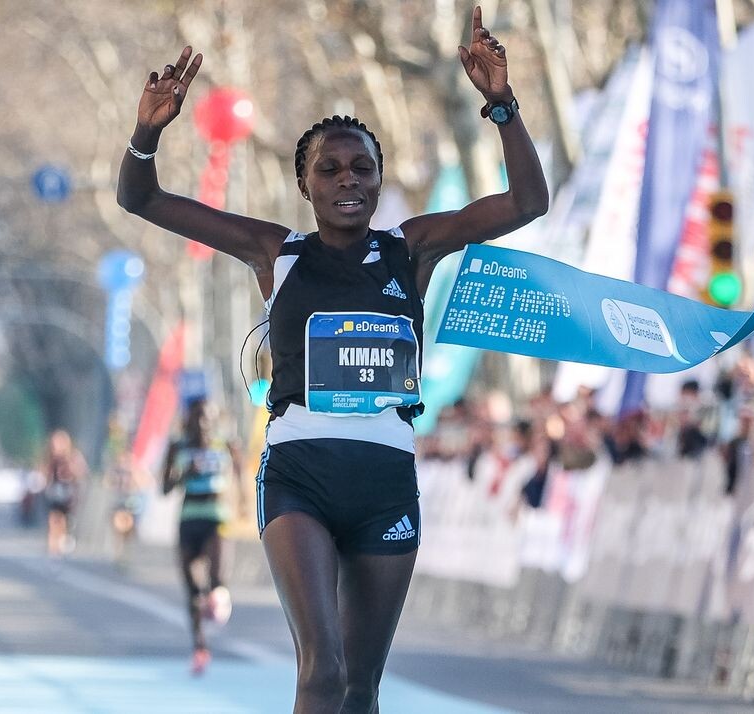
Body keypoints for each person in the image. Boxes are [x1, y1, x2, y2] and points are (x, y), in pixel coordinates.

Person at [115, 7, 547, 710]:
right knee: (321, 669)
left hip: (385, 482)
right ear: (306, 185)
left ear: (378, 180)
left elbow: (529, 201)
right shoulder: (275, 252)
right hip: (300, 477)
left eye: (362, 168)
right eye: (331, 169)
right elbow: (140, 198)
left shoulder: (412, 248)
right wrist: (147, 133)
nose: (349, 180)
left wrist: (502, 104)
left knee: (358, 686)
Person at [160, 401, 240, 676]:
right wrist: (184, 474)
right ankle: (200, 647)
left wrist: (243, 501)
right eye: (197, 419)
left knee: (217, 580)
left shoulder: (224, 444)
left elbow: (240, 472)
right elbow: (164, 488)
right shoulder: (178, 446)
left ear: (214, 421)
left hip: (217, 518)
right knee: (193, 590)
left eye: (207, 419)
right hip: (189, 520)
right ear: (189, 421)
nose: (202, 424)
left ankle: (218, 599)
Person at [42, 430, 87, 558]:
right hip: (55, 491)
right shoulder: (51, 457)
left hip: (68, 492)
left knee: (63, 521)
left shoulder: (73, 456)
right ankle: (53, 547)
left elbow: (81, 471)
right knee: (54, 518)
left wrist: (71, 469)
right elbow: (45, 472)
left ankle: (62, 541)